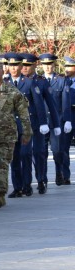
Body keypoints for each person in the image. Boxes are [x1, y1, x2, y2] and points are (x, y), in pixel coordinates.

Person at [0, 61, 31, 208]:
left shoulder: (12, 91)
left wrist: (27, 132)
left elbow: (23, 112)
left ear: (2, 72)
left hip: (7, 135)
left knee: (2, 165)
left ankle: (0, 195)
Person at [5, 53, 55, 197]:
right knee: (14, 158)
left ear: (21, 66)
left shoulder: (30, 82)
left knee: (28, 154)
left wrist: (44, 123)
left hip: (29, 125)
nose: (14, 69)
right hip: (11, 126)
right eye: (11, 65)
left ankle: (29, 184)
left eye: (17, 65)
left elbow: (39, 104)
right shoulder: (4, 84)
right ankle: (17, 187)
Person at [19, 53, 60, 195]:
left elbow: (51, 104)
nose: (24, 68)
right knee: (24, 154)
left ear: (35, 65)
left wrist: (55, 124)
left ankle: (41, 179)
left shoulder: (42, 82)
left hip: (38, 123)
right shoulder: (17, 82)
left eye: (28, 65)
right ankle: (26, 184)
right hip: (23, 125)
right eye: (23, 65)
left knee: (39, 152)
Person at [39, 54, 72, 185]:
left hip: (56, 121)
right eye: (45, 64)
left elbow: (66, 101)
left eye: (50, 64)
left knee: (58, 150)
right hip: (41, 122)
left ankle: (60, 172)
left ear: (54, 65)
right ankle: (42, 178)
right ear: (41, 66)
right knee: (41, 152)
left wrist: (67, 119)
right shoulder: (37, 81)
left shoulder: (61, 80)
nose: (47, 67)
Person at [62, 56, 75, 185]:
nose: (67, 69)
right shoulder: (62, 81)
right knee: (64, 148)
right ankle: (65, 175)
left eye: (70, 66)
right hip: (67, 117)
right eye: (65, 66)